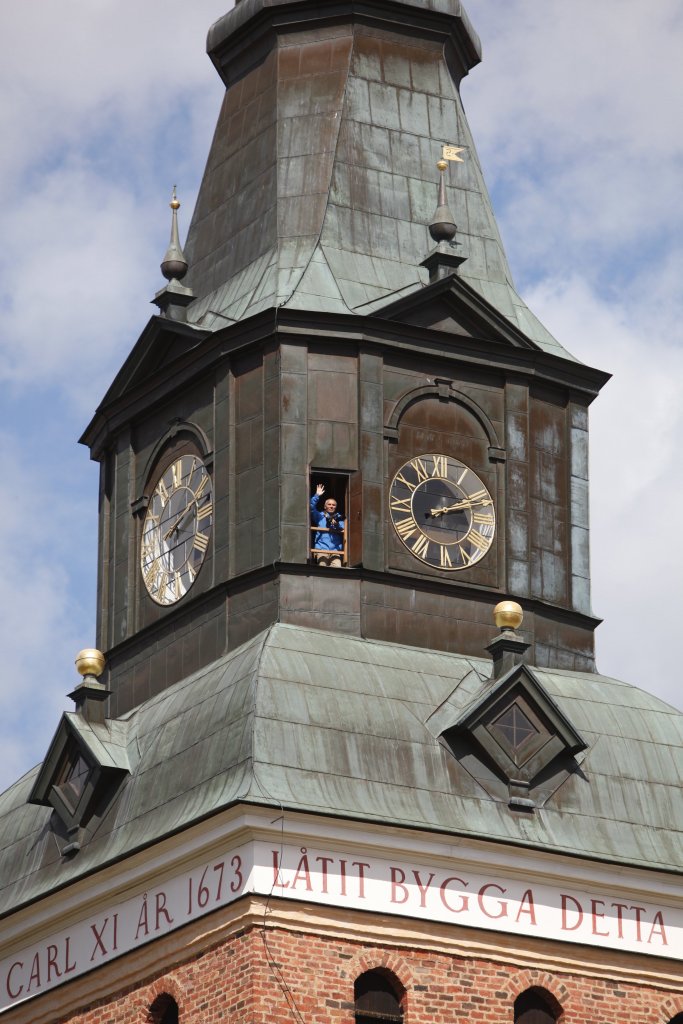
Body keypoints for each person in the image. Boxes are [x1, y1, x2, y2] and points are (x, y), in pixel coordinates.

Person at [310, 484, 345, 567]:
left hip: (336, 550)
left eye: (333, 505)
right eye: (329, 504)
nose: (331, 506)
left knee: (337, 568)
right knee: (322, 567)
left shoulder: (340, 518)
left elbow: (343, 528)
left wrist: (336, 524)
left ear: (336, 507)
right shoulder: (320, 517)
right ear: (325, 506)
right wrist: (317, 495)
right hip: (321, 549)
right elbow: (311, 508)